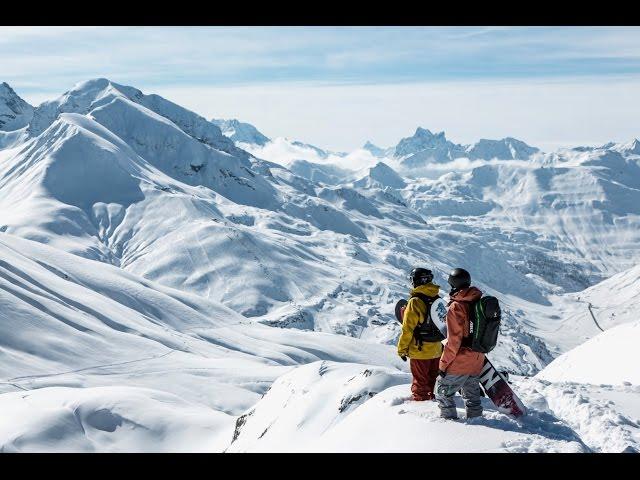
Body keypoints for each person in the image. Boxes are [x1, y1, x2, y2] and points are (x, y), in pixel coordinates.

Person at [435, 268, 485, 419]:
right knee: (472, 398)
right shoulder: (479, 301)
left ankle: (452, 427)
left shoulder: (456, 306)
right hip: (477, 359)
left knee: (442, 393)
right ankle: (477, 423)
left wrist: (443, 365)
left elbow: (453, 341)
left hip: (459, 361)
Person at [397, 267, 443, 401]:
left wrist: (402, 349)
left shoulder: (415, 301)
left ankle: (421, 411)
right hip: (437, 348)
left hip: (420, 350)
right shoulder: (437, 298)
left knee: (420, 384)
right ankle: (432, 403)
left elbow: (408, 329)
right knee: (432, 382)